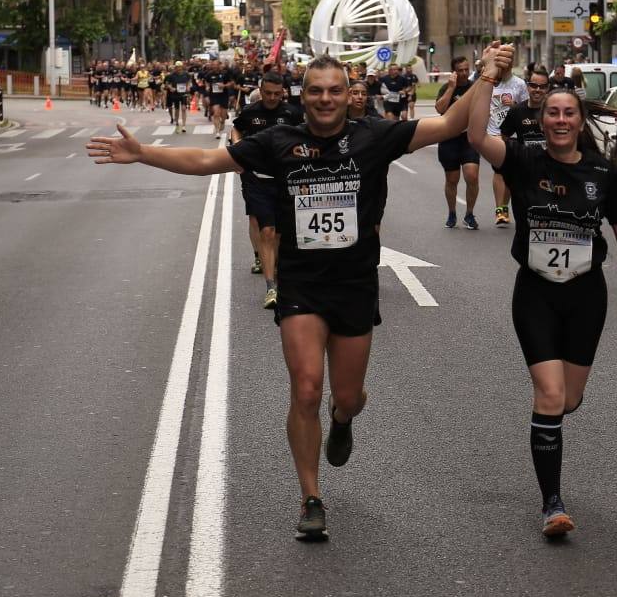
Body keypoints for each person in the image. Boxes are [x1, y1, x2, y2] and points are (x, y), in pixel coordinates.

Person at [87, 48, 508, 540]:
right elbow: (205, 159)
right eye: (315, 90)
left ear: (345, 95)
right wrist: (143, 154)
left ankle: (343, 415)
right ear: (301, 96)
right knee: (306, 387)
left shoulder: (373, 135)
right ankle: (311, 497)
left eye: (334, 90)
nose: (325, 99)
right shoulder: (278, 140)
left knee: (347, 396)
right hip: (301, 282)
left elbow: (452, 124)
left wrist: (485, 78)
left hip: (353, 283)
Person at [466, 62, 617, 539]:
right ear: (543, 121)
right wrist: (486, 79)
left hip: (586, 295)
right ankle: (552, 503)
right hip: (535, 291)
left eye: (569, 114)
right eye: (553, 114)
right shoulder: (522, 159)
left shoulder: (601, 172)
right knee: (551, 395)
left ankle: (550, 428)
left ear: (580, 123)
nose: (560, 121)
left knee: (570, 399)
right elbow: (478, 136)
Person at [231, 72, 305, 308]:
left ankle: (283, 278)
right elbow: (236, 130)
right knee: (267, 230)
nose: (272, 98)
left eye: (277, 94)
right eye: (268, 93)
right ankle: (271, 287)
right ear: (260, 91)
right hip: (257, 179)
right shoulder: (251, 112)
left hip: (286, 180)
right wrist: (238, 148)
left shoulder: (292, 113)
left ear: (282, 92)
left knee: (282, 235)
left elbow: (305, 138)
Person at [435, 56, 481, 229]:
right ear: (454, 72)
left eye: (466, 69)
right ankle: (452, 212)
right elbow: (440, 109)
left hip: (468, 139)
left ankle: (469, 214)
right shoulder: (446, 88)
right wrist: (451, 88)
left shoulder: (473, 88)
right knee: (452, 179)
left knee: (472, 175)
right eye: (460, 70)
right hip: (449, 140)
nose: (463, 73)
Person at [486, 60, 529, 226]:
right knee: (498, 170)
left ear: (510, 66)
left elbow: (526, 107)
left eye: (505, 66)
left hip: (513, 134)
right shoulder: (490, 83)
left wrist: (515, 105)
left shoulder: (519, 84)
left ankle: (504, 206)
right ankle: (500, 210)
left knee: (510, 173)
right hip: (494, 133)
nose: (501, 69)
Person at [501, 66, 550, 150]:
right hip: (524, 162)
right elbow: (502, 139)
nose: (538, 89)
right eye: (533, 85)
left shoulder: (554, 111)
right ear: (527, 86)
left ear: (548, 88)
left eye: (542, 86)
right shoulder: (516, 111)